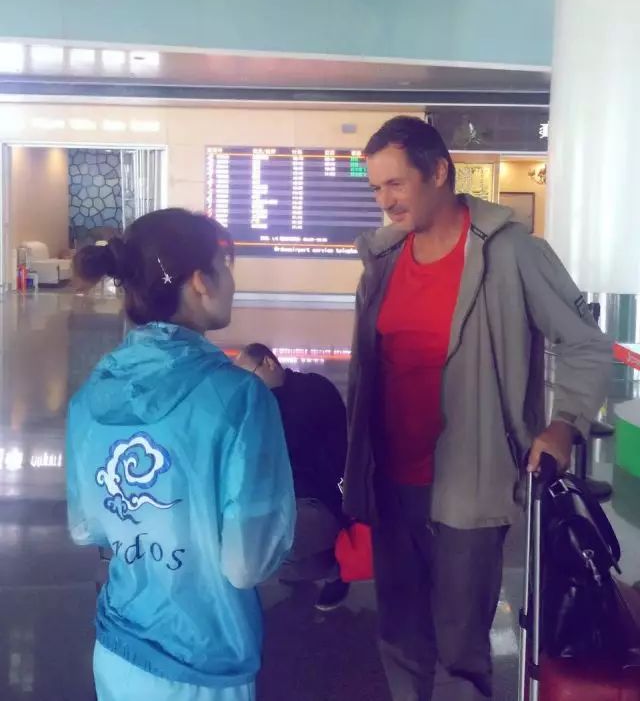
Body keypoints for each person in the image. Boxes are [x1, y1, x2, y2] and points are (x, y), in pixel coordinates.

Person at [343, 117, 612, 701]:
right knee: (399, 639)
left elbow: (586, 345)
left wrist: (564, 424)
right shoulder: (383, 261)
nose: (385, 201)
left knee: (460, 653)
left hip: (470, 485)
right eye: (376, 188)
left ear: (439, 172)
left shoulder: (510, 253)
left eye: (396, 184)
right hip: (391, 484)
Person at [66, 209, 295, 701]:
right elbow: (247, 563)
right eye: (225, 266)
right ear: (199, 282)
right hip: (205, 662)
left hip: (117, 647)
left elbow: (87, 527)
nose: (230, 281)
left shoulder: (91, 393)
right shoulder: (240, 399)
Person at [235, 343, 349, 611]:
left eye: (250, 376)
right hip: (287, 497)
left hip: (316, 497)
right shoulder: (261, 403)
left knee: (270, 543)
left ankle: (336, 570)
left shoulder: (311, 392)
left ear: (269, 363)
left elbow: (335, 451)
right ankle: (313, 567)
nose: (247, 385)